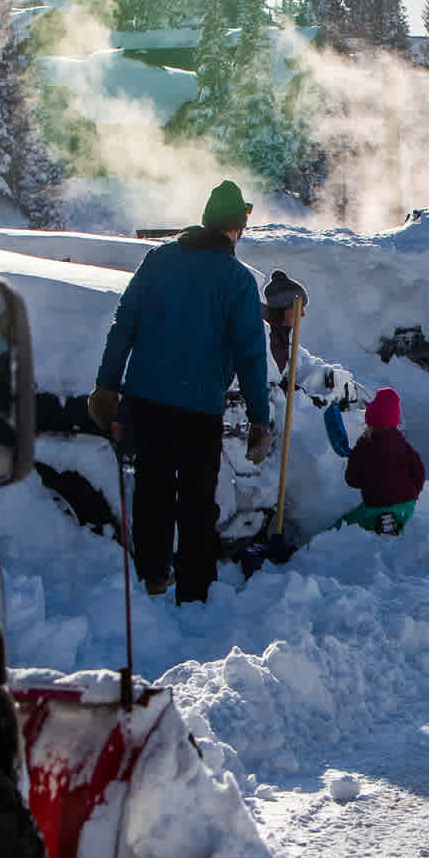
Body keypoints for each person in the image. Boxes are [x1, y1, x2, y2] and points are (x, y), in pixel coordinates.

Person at [89, 180, 272, 602]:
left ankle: (153, 576)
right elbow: (250, 355)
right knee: (196, 501)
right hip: (197, 409)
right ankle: (195, 590)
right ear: (235, 227)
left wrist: (106, 386)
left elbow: (124, 325)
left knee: (152, 491)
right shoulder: (237, 280)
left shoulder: (158, 260)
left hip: (145, 401)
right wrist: (259, 419)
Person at [339, 387, 426, 534]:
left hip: (375, 505)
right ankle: (395, 521)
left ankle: (381, 521)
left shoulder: (364, 446)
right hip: (406, 506)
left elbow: (352, 480)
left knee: (344, 526)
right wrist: (411, 495)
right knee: (397, 511)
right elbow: (419, 473)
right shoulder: (404, 446)